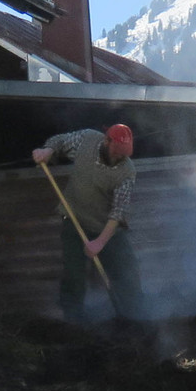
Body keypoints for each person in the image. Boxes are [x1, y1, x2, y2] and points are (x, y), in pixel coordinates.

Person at [32, 124, 143, 322]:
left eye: (124, 155)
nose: (120, 158)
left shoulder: (127, 171)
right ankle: (74, 323)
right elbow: (60, 141)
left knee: (128, 274)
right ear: (106, 141)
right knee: (74, 275)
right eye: (117, 153)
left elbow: (118, 213)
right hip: (75, 222)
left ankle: (136, 321)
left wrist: (99, 242)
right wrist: (47, 151)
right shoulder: (87, 140)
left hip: (108, 229)